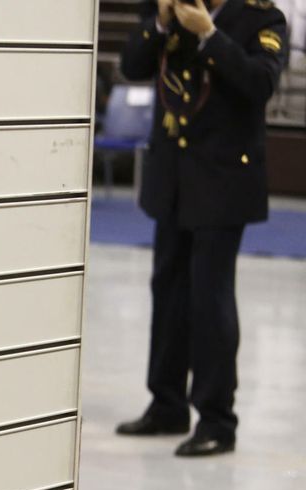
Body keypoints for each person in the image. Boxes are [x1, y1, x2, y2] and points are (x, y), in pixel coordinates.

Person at [114, 0, 289, 457]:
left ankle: (216, 420)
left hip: (223, 181)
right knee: (168, 291)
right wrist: (160, 23)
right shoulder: (164, 11)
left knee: (210, 299)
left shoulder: (261, 18)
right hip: (172, 179)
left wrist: (211, 35)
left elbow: (260, 84)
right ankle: (167, 403)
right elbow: (131, 65)